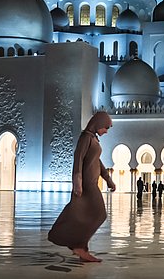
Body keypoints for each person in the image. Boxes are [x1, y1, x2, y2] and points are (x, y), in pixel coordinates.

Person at [48, 111, 116, 263]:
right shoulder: (85, 138)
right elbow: (78, 158)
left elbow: (97, 162)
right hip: (86, 184)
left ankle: (80, 247)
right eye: (105, 127)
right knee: (98, 214)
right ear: (97, 123)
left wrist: (108, 180)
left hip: (91, 183)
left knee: (82, 214)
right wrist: (77, 181)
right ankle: (79, 247)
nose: (105, 131)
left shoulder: (93, 139)